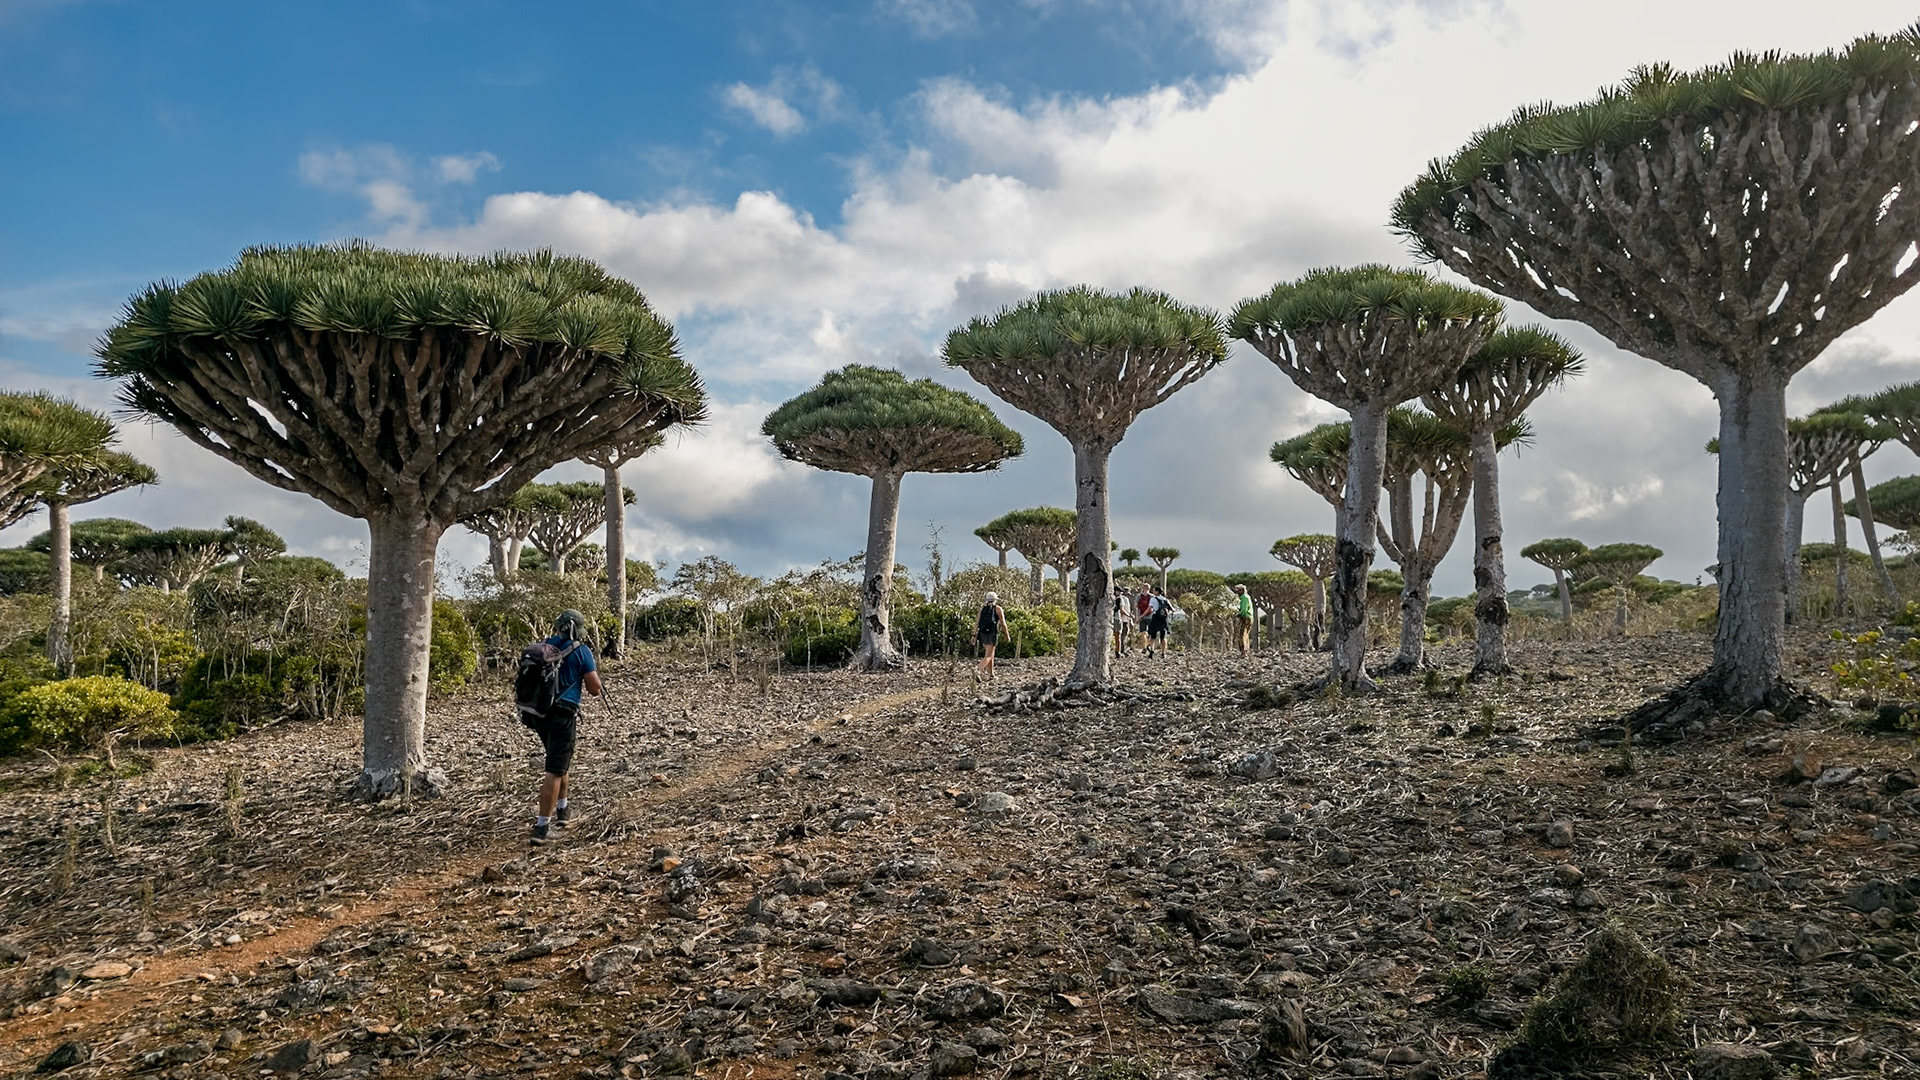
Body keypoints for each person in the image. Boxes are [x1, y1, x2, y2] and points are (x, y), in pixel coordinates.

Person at [523, 609, 601, 844]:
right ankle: (542, 828)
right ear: (577, 629)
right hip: (562, 714)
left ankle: (563, 811)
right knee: (555, 769)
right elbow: (594, 688)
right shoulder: (582, 651)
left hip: (538, 713)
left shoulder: (544, 646)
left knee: (559, 761)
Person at [975, 591, 1010, 680]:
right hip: (992, 633)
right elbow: (1003, 623)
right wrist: (1007, 635)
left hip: (982, 633)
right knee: (988, 655)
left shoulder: (982, 609)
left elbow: (977, 623)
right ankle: (978, 670)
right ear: (995, 600)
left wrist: (974, 635)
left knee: (991, 654)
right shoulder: (998, 609)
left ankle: (991, 674)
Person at [1145, 585, 1172, 658]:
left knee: (1153, 635)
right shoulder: (1165, 599)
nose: (1153, 592)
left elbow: (1149, 608)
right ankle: (1163, 653)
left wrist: (1142, 616)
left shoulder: (1153, 599)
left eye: (1154, 590)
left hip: (1155, 618)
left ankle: (1152, 650)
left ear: (1157, 592)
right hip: (1163, 619)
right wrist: (1165, 614)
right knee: (1163, 637)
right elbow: (1171, 609)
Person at [1111, 584, 1135, 657]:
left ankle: (1119, 650)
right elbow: (1122, 610)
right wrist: (1129, 615)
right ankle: (1118, 652)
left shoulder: (1109, 598)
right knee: (1118, 636)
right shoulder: (1120, 599)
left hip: (1111, 618)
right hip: (1118, 618)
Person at [1233, 583, 1255, 657]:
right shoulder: (1247, 597)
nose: (1237, 592)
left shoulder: (1244, 598)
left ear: (1242, 590)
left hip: (1246, 617)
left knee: (1242, 634)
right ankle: (1247, 650)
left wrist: (1239, 614)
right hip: (1250, 617)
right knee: (1246, 634)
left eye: (1238, 590)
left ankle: (1243, 651)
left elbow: (1244, 610)